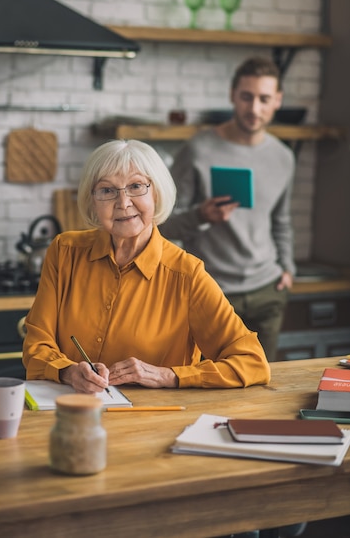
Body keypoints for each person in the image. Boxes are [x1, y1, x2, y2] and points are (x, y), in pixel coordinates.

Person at [22, 138, 270, 392]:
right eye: (107, 191)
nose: (123, 202)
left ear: (157, 193)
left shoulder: (187, 274)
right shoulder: (65, 251)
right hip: (72, 413)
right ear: (93, 201)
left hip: (152, 422)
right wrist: (68, 371)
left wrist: (166, 376)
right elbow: (36, 346)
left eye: (136, 186)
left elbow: (252, 362)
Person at [160, 56, 296, 362]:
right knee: (209, 391)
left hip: (268, 290)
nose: (254, 108)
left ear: (277, 101)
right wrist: (200, 216)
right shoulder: (198, 149)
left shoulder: (283, 156)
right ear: (232, 95)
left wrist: (288, 268)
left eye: (264, 99)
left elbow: (281, 221)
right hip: (212, 292)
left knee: (263, 390)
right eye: (247, 97)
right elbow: (162, 223)